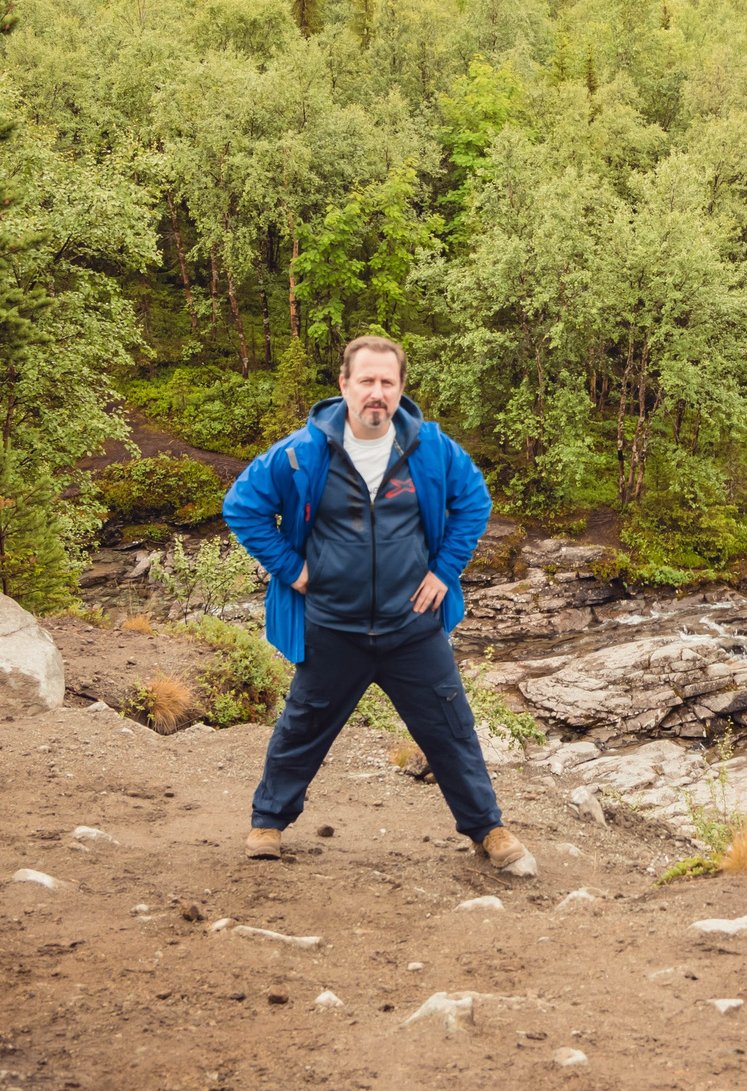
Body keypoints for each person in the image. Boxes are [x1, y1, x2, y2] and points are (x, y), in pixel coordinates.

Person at [220, 334, 533, 875]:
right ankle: (268, 822)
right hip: (332, 627)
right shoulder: (302, 451)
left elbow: (474, 502)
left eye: (387, 382)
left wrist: (444, 571)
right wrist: (292, 570)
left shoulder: (431, 448)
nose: (376, 393)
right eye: (366, 380)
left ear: (401, 388)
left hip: (410, 626)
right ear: (344, 385)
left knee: (451, 729)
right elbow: (242, 506)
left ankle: (488, 829)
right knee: (301, 726)